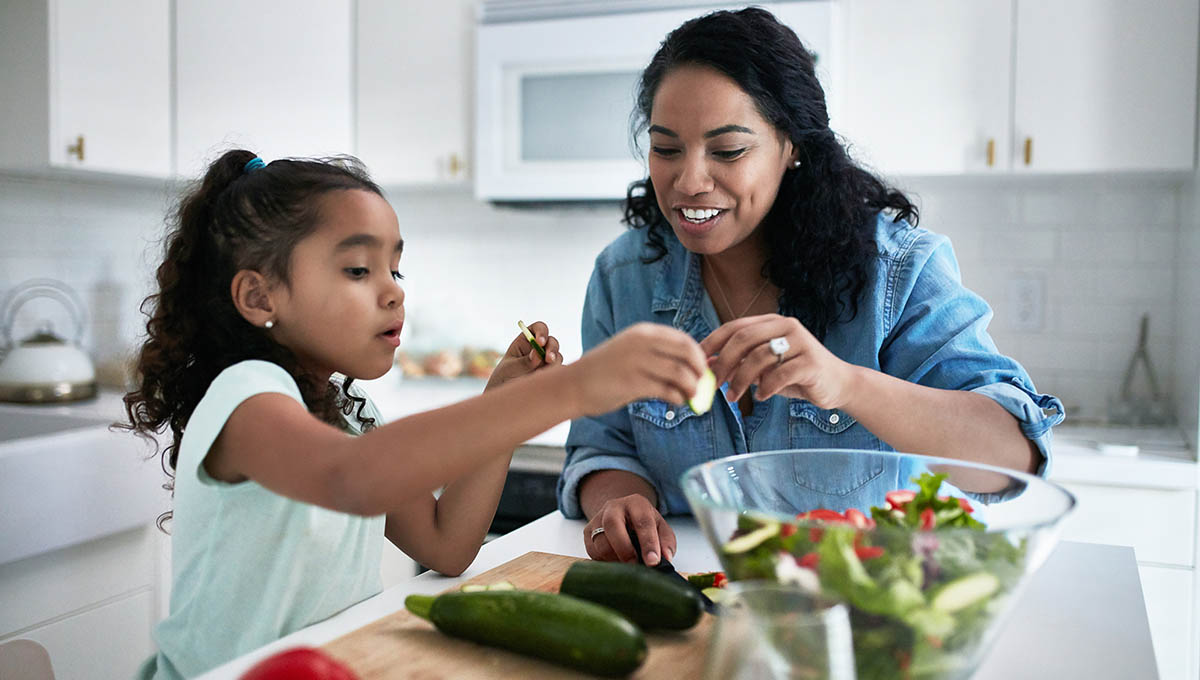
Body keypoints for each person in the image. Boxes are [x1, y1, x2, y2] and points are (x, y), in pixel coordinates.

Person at [121, 149, 709, 679]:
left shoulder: (350, 413)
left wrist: (502, 403)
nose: (393, 291)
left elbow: (445, 545)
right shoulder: (246, 396)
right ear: (258, 297)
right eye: (358, 270)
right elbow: (348, 477)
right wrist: (573, 389)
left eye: (395, 269)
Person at [557, 7, 1065, 568]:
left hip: (859, 609)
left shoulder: (897, 271)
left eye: (728, 151)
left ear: (792, 146)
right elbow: (602, 445)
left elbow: (1011, 458)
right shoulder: (622, 278)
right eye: (666, 148)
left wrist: (846, 384)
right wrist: (621, 498)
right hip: (686, 601)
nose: (689, 182)